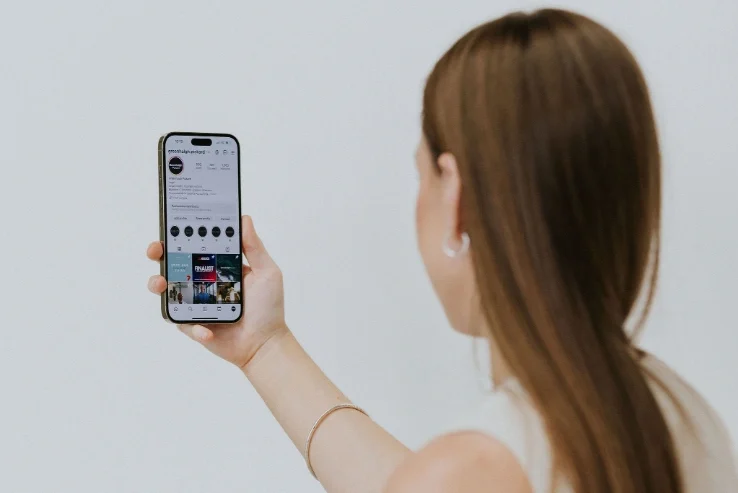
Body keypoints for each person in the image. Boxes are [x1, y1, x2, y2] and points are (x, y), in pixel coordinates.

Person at [145, 9, 737, 493]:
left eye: (421, 175)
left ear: (455, 197)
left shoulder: (473, 468)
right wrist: (265, 347)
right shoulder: (689, 420)